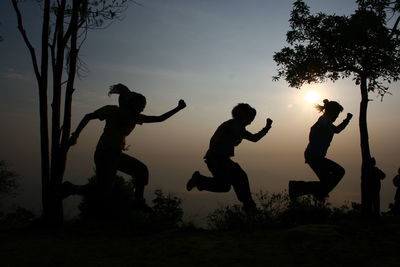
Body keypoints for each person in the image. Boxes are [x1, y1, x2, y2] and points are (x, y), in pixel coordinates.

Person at [63, 83, 186, 212]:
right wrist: (75, 136)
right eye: (140, 105)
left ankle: (138, 201)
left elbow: (159, 119)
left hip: (115, 155)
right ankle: (71, 189)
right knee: (104, 190)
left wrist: (178, 108)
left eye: (142, 106)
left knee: (140, 172)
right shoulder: (112, 111)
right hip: (104, 154)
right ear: (131, 104)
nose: (142, 108)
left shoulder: (135, 118)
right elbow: (88, 116)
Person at [186, 103, 273, 212]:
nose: (251, 120)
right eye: (250, 117)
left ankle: (249, 207)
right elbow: (254, 138)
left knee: (239, 178)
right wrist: (267, 127)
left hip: (220, 159)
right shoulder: (235, 126)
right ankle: (199, 181)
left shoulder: (233, 125)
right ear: (243, 116)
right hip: (217, 160)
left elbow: (250, 138)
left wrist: (266, 128)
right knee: (226, 185)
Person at [289, 99, 352, 202]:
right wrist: (347, 120)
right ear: (331, 113)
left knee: (326, 182)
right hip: (314, 156)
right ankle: (301, 188)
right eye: (336, 115)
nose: (336, 117)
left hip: (315, 155)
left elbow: (334, 130)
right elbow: (335, 130)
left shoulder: (325, 121)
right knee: (339, 172)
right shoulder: (323, 120)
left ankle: (299, 188)